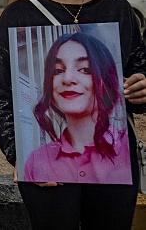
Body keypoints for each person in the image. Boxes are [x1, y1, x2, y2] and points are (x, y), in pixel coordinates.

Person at [0, 0, 146, 230]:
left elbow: (136, 78)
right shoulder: (19, 16)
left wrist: (141, 87)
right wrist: (20, 154)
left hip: (116, 166)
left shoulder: (119, 10)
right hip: (46, 176)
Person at [23, 32, 131, 184]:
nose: (67, 79)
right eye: (58, 70)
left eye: (85, 69)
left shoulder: (127, 147)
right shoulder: (36, 160)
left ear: (105, 80)